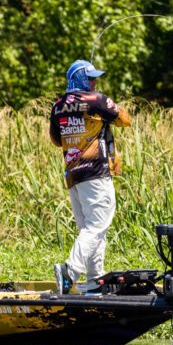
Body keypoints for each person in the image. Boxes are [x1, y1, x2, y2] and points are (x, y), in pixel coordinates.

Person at [49, 59, 132, 294]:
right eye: (91, 78)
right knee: (97, 225)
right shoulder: (96, 100)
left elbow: (56, 141)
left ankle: (96, 279)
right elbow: (125, 120)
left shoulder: (57, 106)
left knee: (91, 230)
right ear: (81, 79)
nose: (95, 82)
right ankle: (70, 270)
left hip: (73, 177)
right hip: (96, 173)